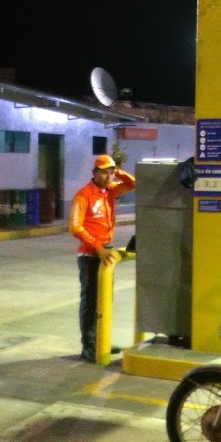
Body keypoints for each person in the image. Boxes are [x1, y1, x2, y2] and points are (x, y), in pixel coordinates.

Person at [69, 154, 136, 363]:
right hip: (90, 255)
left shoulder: (110, 191)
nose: (108, 177)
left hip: (106, 252)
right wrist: (97, 248)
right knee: (90, 302)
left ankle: (101, 341)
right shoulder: (84, 195)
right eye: (104, 173)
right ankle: (89, 347)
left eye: (111, 173)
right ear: (94, 173)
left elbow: (133, 184)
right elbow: (75, 227)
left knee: (104, 300)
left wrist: (118, 170)